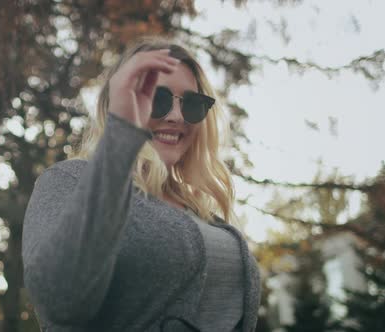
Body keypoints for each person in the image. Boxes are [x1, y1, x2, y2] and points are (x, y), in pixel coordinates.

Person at [22, 37, 261, 332]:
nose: (175, 117)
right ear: (119, 102)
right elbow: (58, 300)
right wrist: (122, 134)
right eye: (157, 100)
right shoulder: (69, 180)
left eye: (192, 104)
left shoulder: (201, 212)